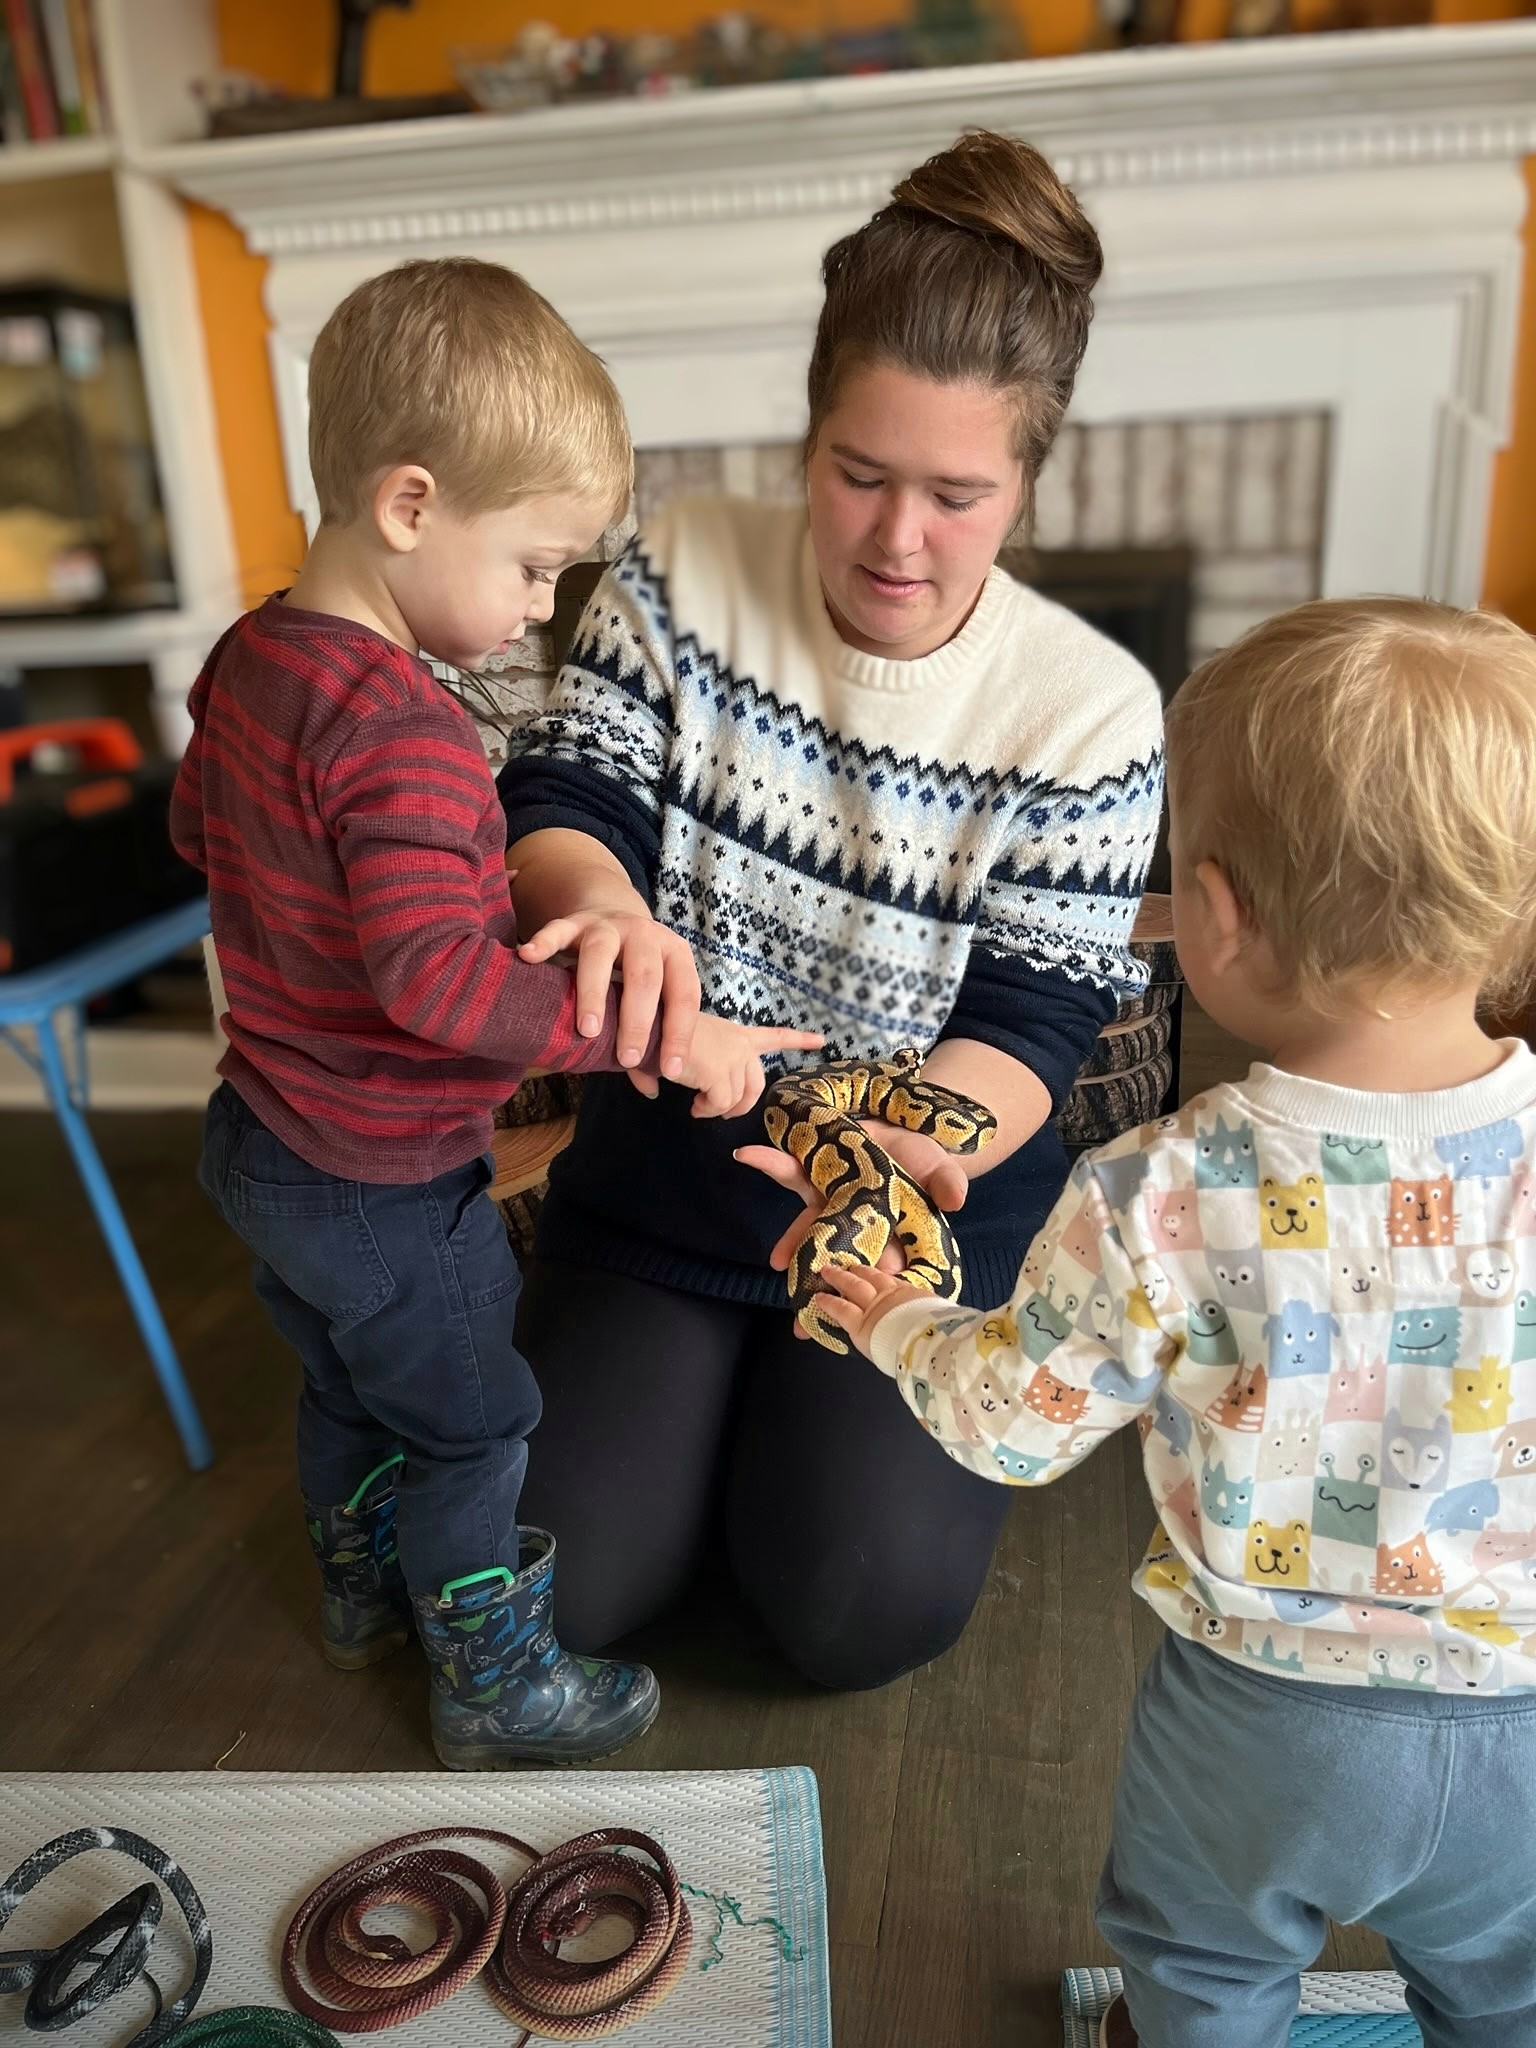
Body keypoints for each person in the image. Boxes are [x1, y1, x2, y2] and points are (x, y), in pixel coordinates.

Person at [785, 596, 1536, 2048]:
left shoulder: (1163, 1187)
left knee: (1204, 1969)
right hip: (1524, 1718)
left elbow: (1010, 1426)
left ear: (1220, 913)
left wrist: (900, 1322)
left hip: (1261, 1725)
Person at [497, 132, 1164, 1689]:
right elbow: (568, 805)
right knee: (552, 1595)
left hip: (914, 1219)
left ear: (1030, 478)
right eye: (859, 475)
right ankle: (697, 1446)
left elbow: (1035, 1023)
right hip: (663, 1189)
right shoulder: (682, 571)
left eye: (957, 493)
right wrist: (606, 912)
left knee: (859, 1615)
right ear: (808, 434)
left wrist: (904, 1157)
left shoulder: (1091, 712)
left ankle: (760, 1461)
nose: (896, 539)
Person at [173, 257, 819, 1770]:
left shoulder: (255, 654)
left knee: (344, 1380)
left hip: (259, 1142)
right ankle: (494, 1687)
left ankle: (356, 1594)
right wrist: (667, 1037)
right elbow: (443, 988)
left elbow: (201, 832)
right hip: (386, 1182)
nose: (542, 609)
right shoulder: (406, 732)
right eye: (534, 567)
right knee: (474, 1422)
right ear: (410, 506)